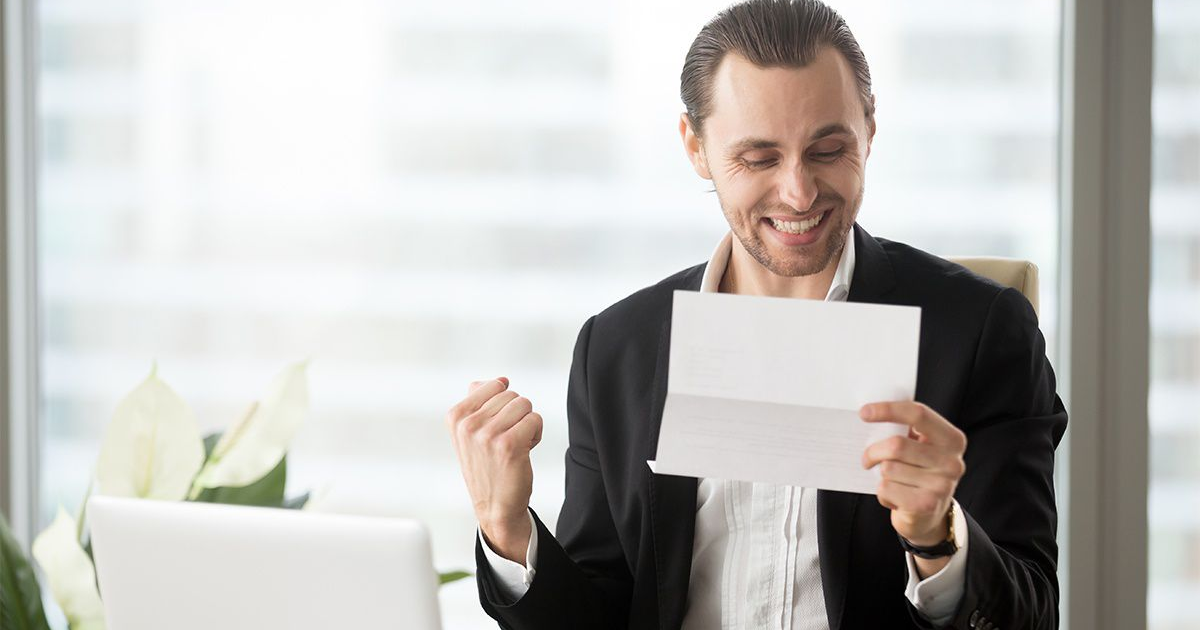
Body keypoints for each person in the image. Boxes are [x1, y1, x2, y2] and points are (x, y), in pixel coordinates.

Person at [444, 1, 1067, 628]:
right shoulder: (618, 348)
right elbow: (602, 611)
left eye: (827, 149)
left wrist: (939, 536)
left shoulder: (981, 333)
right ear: (695, 147)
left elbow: (1031, 612)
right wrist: (506, 528)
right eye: (759, 159)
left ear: (869, 130)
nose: (798, 192)